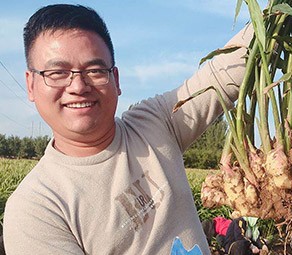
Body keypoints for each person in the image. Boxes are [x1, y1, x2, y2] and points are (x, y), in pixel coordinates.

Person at [3, 4, 252, 254]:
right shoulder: (35, 209)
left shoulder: (154, 123)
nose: (78, 85)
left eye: (95, 70)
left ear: (116, 80)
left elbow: (222, 74)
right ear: (31, 84)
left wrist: (276, 17)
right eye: (57, 73)